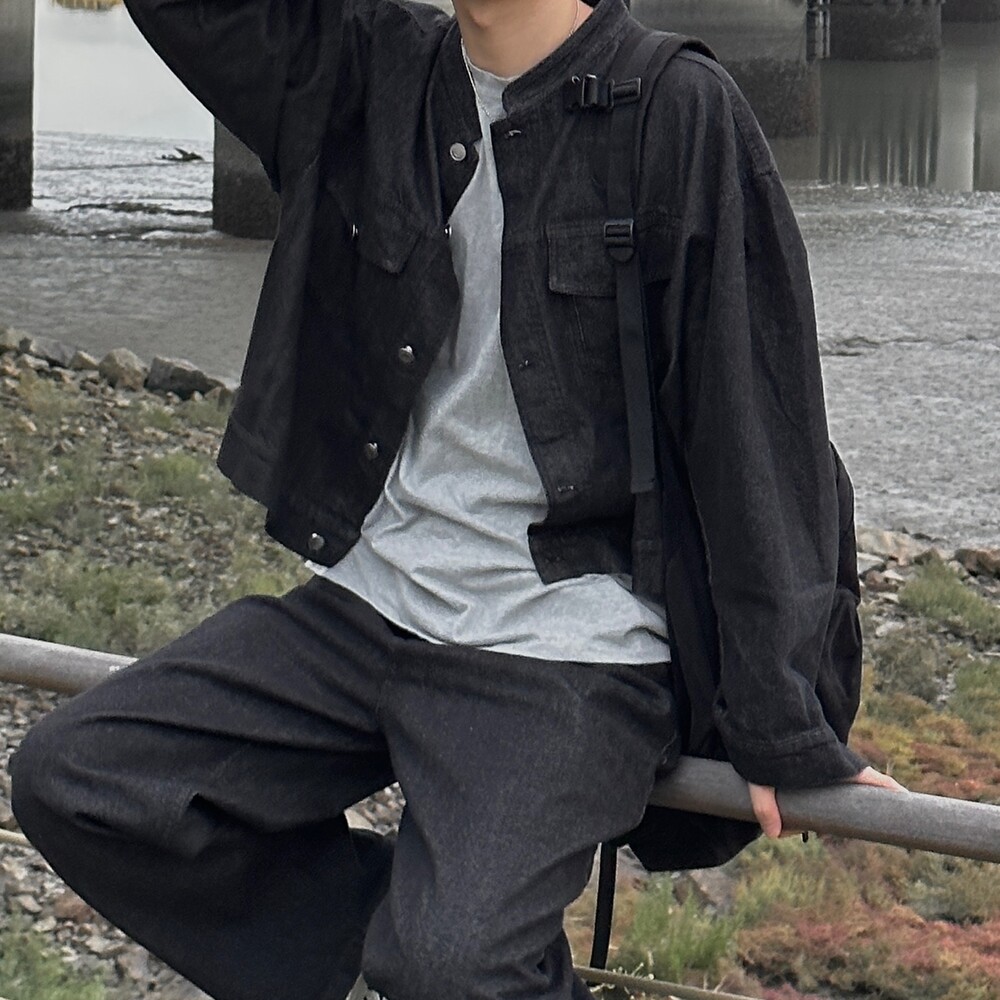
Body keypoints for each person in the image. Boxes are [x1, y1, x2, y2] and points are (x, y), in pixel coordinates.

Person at [9, 0, 902, 998]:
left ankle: (440, 956)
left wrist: (782, 719)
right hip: (370, 600)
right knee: (81, 781)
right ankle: (411, 951)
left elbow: (756, 414)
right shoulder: (376, 68)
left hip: (568, 643)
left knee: (450, 959)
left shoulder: (677, 109)